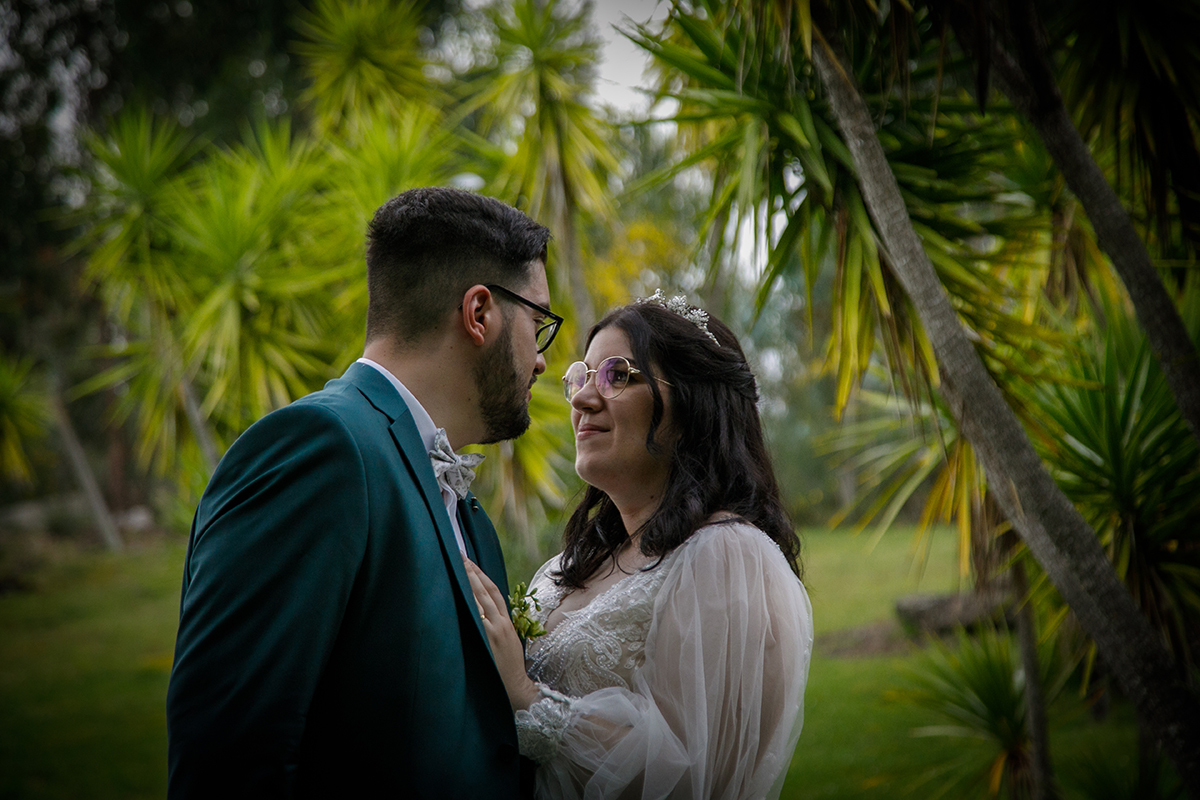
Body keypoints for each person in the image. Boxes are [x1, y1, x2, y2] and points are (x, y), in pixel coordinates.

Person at [166, 187, 561, 798]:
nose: (541, 361)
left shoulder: (469, 513)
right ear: (479, 313)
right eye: (539, 324)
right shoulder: (320, 447)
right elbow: (230, 755)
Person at [466, 291, 814, 799]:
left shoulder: (728, 556)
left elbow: (693, 776)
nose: (583, 399)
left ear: (693, 404)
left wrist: (525, 697)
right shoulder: (569, 566)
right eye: (582, 377)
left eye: (617, 376)